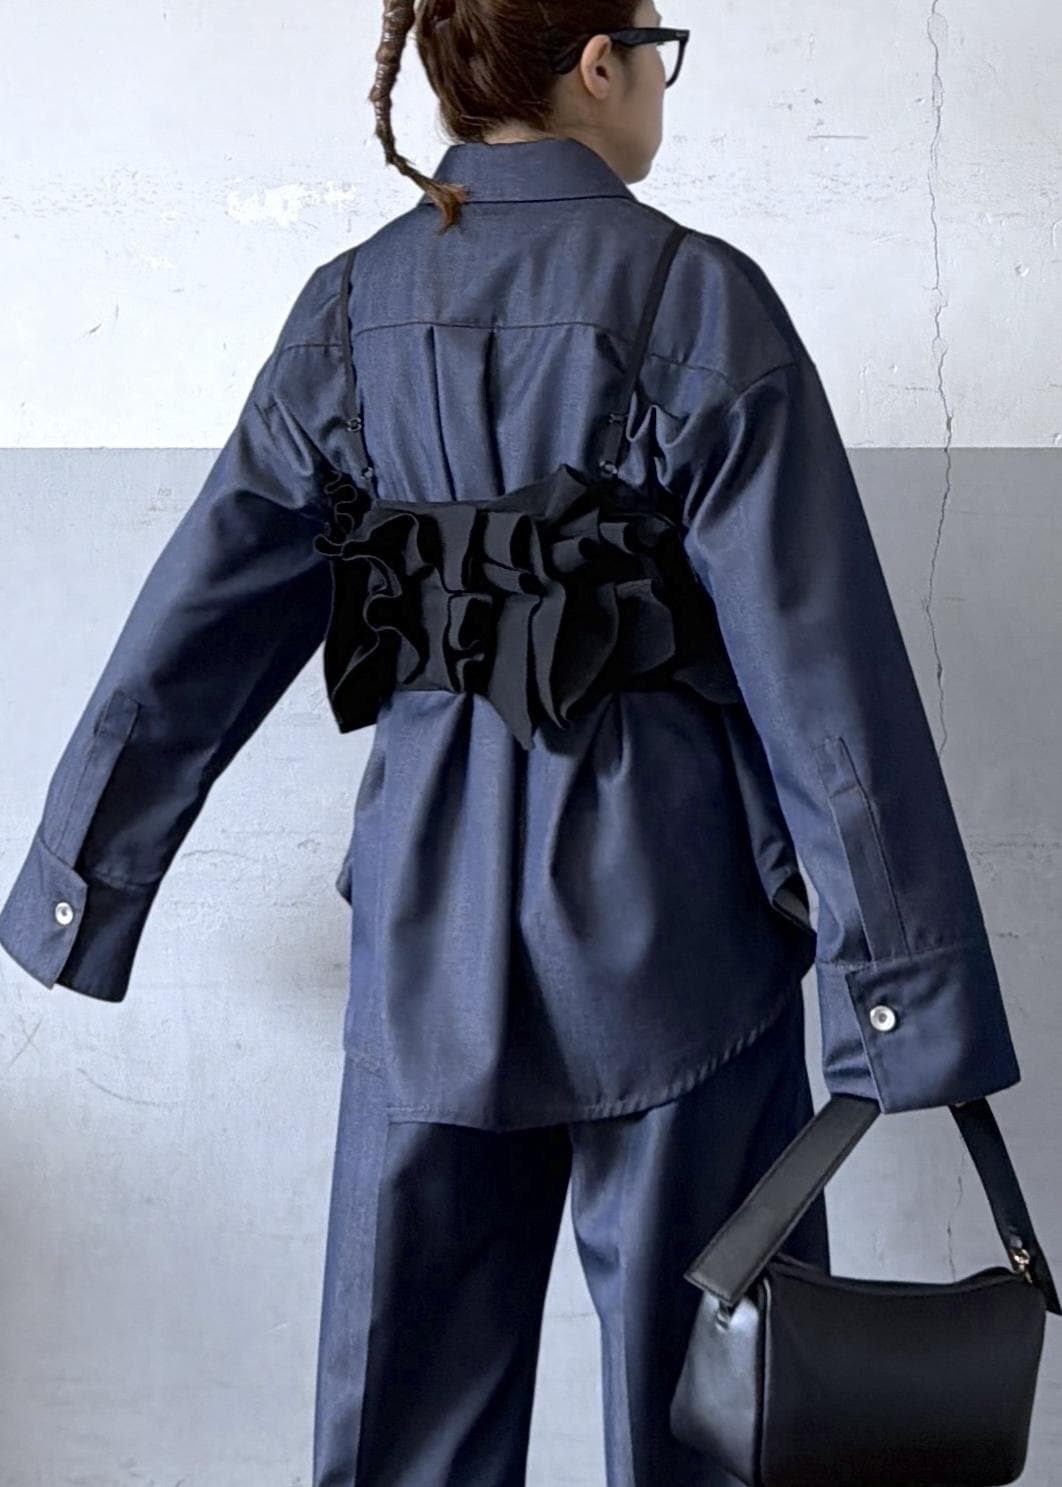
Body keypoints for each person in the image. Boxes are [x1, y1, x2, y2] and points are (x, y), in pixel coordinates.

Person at [0, 1, 1023, 1483]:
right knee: (714, 1424)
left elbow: (201, 614)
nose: (658, 78)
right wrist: (898, 994)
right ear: (600, 63)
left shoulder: (349, 309)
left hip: (425, 929)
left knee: (403, 1431)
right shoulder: (693, 297)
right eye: (656, 45)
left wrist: (78, 885)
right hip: (676, 934)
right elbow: (822, 669)